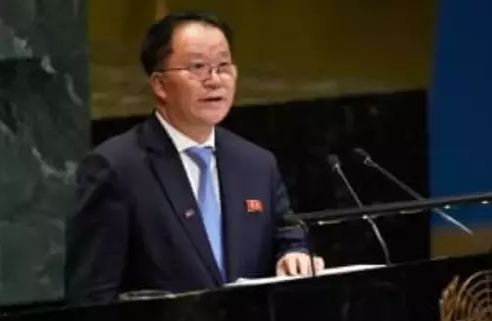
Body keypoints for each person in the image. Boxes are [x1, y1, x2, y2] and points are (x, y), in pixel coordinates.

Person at [64, 10, 324, 305]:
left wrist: (294, 253)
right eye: (198, 67)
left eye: (223, 66)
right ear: (160, 85)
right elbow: (91, 299)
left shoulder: (257, 164)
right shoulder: (116, 168)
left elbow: (286, 232)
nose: (214, 80)